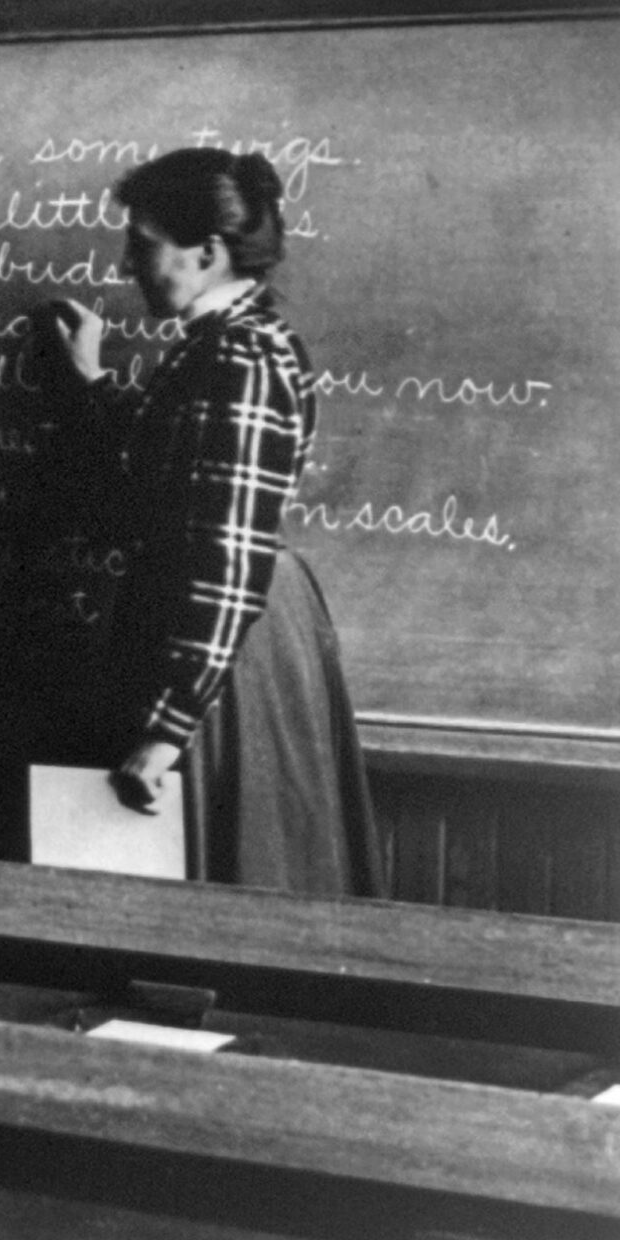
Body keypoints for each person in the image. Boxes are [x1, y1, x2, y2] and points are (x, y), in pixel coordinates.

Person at [42, 148, 380, 895]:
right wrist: (94, 381)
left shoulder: (241, 357)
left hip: (224, 647)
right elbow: (178, 463)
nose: (129, 264)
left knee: (226, 877)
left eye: (142, 244)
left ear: (206, 251)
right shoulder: (224, 343)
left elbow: (226, 561)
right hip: (216, 638)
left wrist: (166, 732)